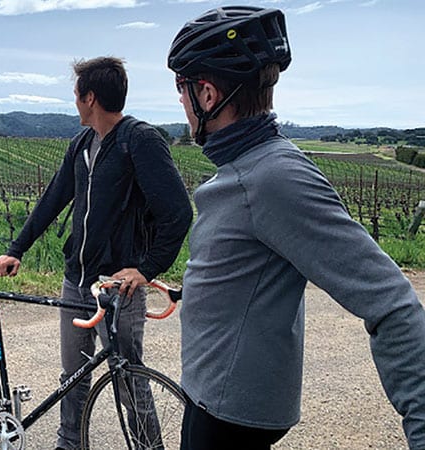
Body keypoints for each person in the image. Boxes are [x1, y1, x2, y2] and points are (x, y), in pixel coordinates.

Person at [167, 6, 425, 449]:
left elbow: (393, 303)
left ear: (206, 95)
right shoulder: (247, 166)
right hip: (215, 397)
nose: (180, 103)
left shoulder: (273, 176)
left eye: (181, 89)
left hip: (229, 416)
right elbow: (252, 264)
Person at [0, 56, 193, 450]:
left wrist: (146, 268)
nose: (74, 101)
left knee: (129, 379)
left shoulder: (141, 141)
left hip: (118, 289)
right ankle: (70, 445)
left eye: (76, 94)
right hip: (76, 281)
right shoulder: (82, 144)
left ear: (90, 98)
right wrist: (17, 250)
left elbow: (178, 213)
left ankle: (149, 447)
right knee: (74, 378)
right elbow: (53, 200)